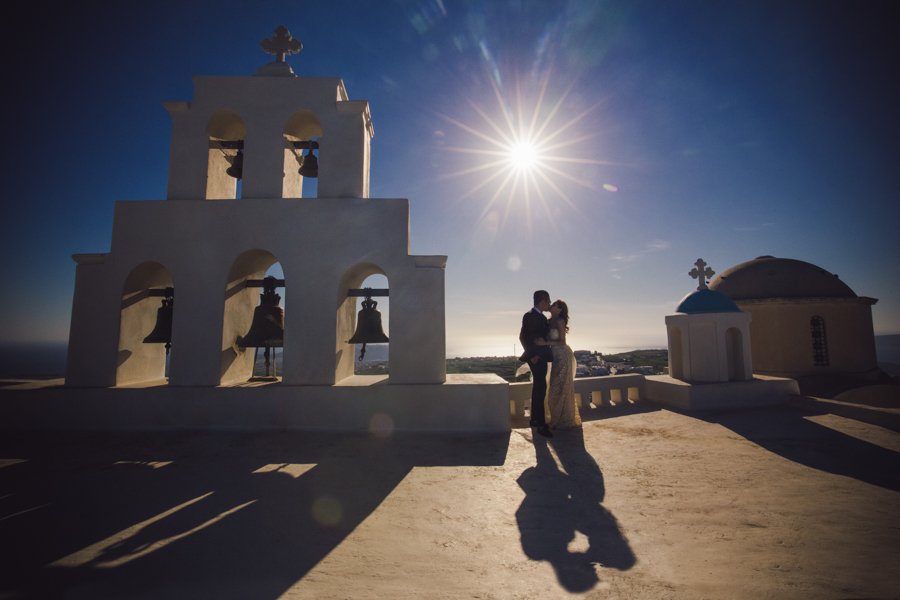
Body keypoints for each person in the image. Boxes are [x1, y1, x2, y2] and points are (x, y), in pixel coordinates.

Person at [538, 299, 582, 430]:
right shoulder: (549, 321)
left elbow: (562, 341)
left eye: (555, 305)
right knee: (554, 389)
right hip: (554, 356)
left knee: (561, 388)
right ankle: (557, 418)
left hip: (563, 355)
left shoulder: (560, 321)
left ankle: (561, 420)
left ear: (560, 309)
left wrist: (544, 343)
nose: (551, 305)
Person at [519, 290, 554, 437]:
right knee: (540, 389)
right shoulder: (529, 316)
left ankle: (534, 419)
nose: (549, 304)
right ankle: (541, 425)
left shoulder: (541, 317)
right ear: (542, 301)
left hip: (540, 357)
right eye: (548, 301)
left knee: (538, 389)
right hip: (536, 358)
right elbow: (523, 337)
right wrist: (533, 355)